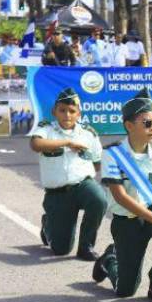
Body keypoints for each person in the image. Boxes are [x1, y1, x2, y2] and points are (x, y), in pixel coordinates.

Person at [91, 92, 152, 301]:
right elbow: (120, 197)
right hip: (126, 222)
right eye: (147, 123)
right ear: (129, 126)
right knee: (126, 290)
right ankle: (110, 260)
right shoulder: (112, 154)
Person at [28, 87, 107, 260]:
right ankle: (47, 224)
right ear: (54, 112)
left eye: (72, 111)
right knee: (61, 249)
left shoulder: (88, 133)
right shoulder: (46, 129)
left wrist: (87, 172)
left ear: (79, 114)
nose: (67, 115)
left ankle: (86, 246)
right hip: (57, 194)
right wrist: (67, 143)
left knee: (99, 199)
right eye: (62, 110)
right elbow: (35, 145)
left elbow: (98, 161)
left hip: (82, 185)